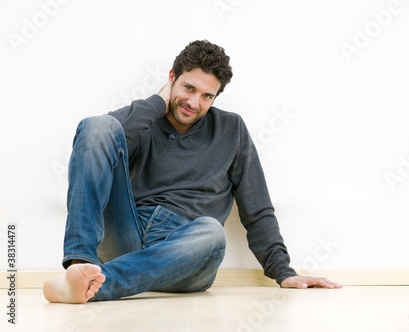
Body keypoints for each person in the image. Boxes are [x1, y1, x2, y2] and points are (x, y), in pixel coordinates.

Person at [43, 40, 342, 304]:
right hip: (127, 234)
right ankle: (78, 268)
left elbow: (258, 208)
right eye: (188, 88)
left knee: (212, 233)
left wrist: (283, 271)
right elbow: (99, 140)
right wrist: (156, 104)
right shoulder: (145, 120)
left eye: (206, 96)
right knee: (96, 125)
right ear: (172, 78)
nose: (193, 103)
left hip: (187, 254)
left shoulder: (231, 129)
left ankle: (95, 285)